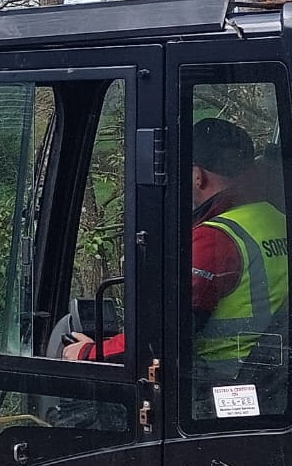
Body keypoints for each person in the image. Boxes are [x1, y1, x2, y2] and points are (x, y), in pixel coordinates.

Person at [64, 118, 288, 412]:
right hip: (270, 385)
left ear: (197, 175)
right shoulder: (277, 219)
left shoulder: (215, 239)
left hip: (216, 391)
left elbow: (165, 333)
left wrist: (90, 351)